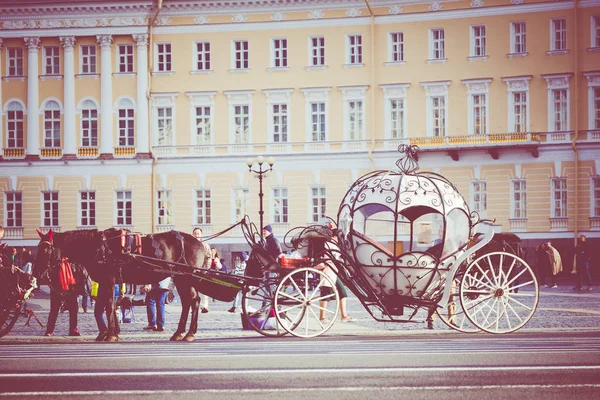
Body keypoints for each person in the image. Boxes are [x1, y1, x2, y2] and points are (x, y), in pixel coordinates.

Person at [45, 258, 80, 337]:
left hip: (71, 289)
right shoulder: (55, 263)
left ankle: (73, 329)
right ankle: (49, 330)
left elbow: (77, 274)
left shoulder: (72, 263)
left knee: (74, 310)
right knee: (54, 310)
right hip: (57, 289)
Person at [192, 227, 212, 313]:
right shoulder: (190, 245)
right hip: (193, 271)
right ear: (192, 234)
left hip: (202, 270)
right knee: (193, 290)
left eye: (198, 234)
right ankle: (194, 307)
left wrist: (205, 269)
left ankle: (204, 306)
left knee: (203, 290)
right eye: (195, 233)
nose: (196, 235)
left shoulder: (205, 245)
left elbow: (208, 257)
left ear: (201, 235)